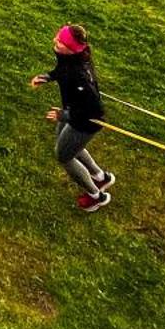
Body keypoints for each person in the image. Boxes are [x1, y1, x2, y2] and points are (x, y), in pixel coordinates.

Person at [31, 25, 113, 213]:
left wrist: (64, 115)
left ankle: (97, 196)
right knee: (65, 145)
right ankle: (101, 177)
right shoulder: (72, 57)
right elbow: (61, 70)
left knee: (64, 156)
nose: (54, 41)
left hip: (85, 122)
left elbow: (94, 110)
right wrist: (47, 77)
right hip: (72, 110)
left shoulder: (80, 76)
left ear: (70, 48)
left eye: (60, 41)